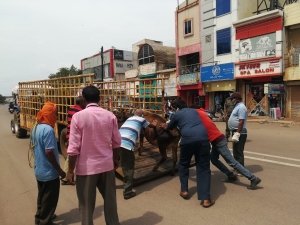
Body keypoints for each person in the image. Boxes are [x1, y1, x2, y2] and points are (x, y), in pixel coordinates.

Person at [66, 85, 121, 225]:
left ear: (83, 99)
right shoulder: (110, 116)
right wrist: (115, 161)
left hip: (86, 169)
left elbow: (73, 149)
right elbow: (116, 143)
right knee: (111, 204)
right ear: (100, 99)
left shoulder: (78, 117)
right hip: (107, 167)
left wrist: (70, 171)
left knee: (86, 206)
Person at [160, 98, 214, 208]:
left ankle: (184, 190)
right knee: (203, 168)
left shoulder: (176, 114)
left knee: (183, 164)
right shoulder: (195, 111)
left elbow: (169, 127)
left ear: (175, 108)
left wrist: (163, 126)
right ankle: (206, 199)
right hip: (203, 139)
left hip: (188, 141)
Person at [197, 108, 261, 189]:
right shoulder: (202, 113)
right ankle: (231, 175)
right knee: (213, 159)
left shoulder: (195, 115)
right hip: (216, 140)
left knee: (231, 162)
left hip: (218, 141)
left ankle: (253, 178)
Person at [31, 101, 66, 225]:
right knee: (50, 198)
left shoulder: (36, 127)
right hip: (49, 172)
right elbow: (49, 152)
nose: (56, 117)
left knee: (42, 197)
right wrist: (60, 171)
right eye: (54, 114)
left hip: (39, 170)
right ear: (49, 114)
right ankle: (45, 221)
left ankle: (39, 217)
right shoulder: (48, 130)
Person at [119, 109, 156, 199]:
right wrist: (154, 124)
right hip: (126, 144)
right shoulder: (142, 120)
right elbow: (150, 126)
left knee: (117, 162)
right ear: (141, 115)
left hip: (116, 142)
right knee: (129, 168)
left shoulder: (129, 119)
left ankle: (108, 183)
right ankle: (128, 192)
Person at [61, 96, 85, 185]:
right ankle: (67, 178)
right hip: (74, 136)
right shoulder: (80, 112)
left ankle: (68, 177)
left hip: (69, 134)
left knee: (71, 155)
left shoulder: (71, 109)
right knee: (71, 157)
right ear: (82, 103)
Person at [228, 92, 248, 168]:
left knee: (239, 152)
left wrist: (237, 133)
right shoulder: (237, 106)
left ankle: (241, 169)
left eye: (232, 99)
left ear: (236, 99)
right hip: (235, 131)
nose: (231, 101)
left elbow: (241, 121)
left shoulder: (241, 107)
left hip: (240, 132)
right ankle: (237, 167)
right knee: (235, 152)